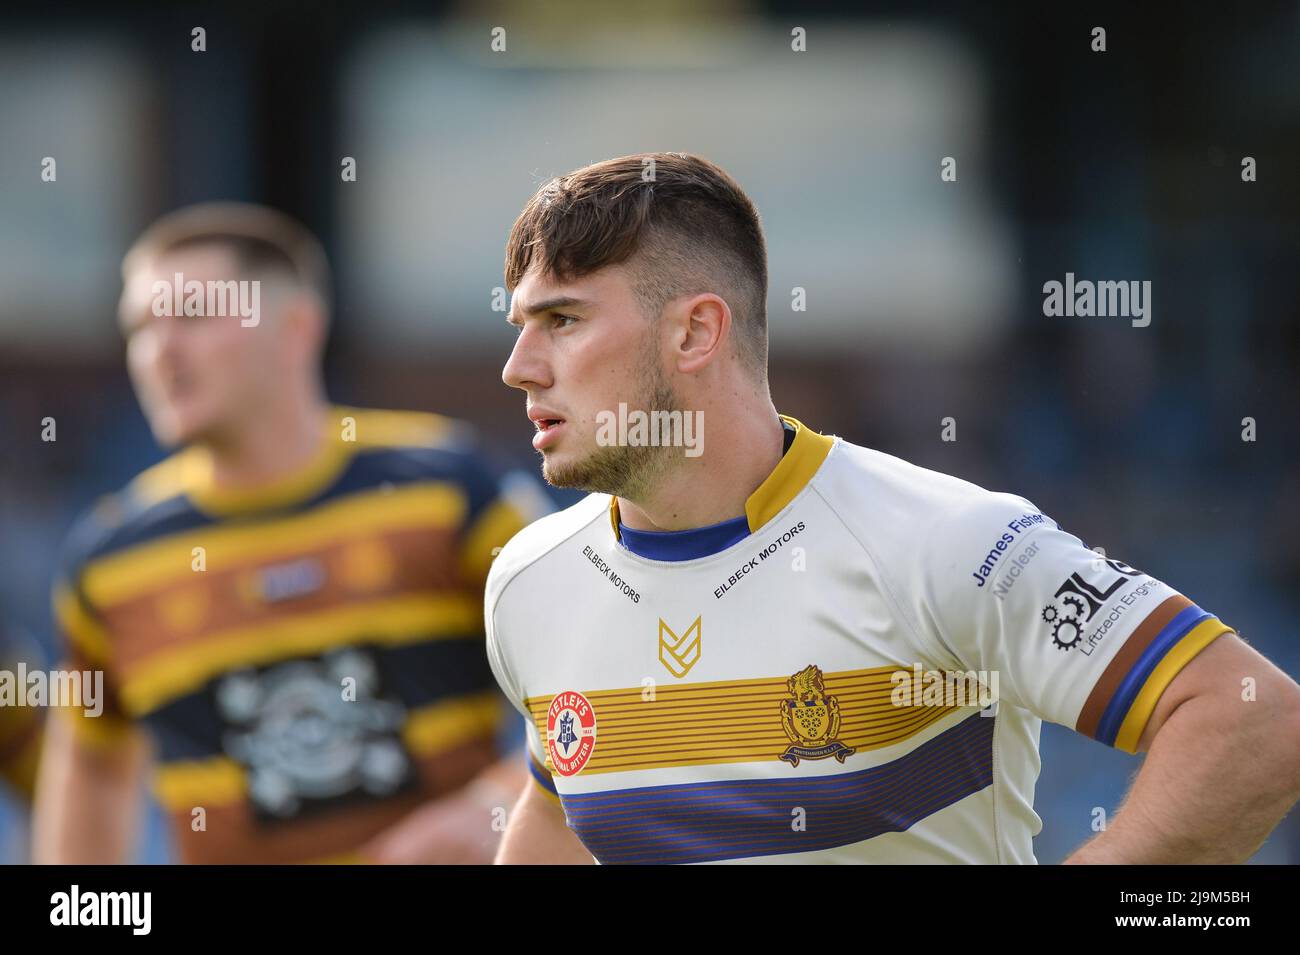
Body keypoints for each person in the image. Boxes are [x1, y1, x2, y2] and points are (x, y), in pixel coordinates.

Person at [484, 152, 1300, 864]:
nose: (520, 365)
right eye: (521, 324)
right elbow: (557, 822)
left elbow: (1254, 721)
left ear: (695, 333)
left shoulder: (947, 542)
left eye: (562, 320)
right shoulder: (530, 579)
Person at [34, 203, 536, 864]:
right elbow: (93, 769)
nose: (160, 351)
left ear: (298, 327)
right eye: (140, 327)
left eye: (193, 316)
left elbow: (593, 677)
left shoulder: (450, 488)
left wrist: (490, 809)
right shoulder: (110, 557)